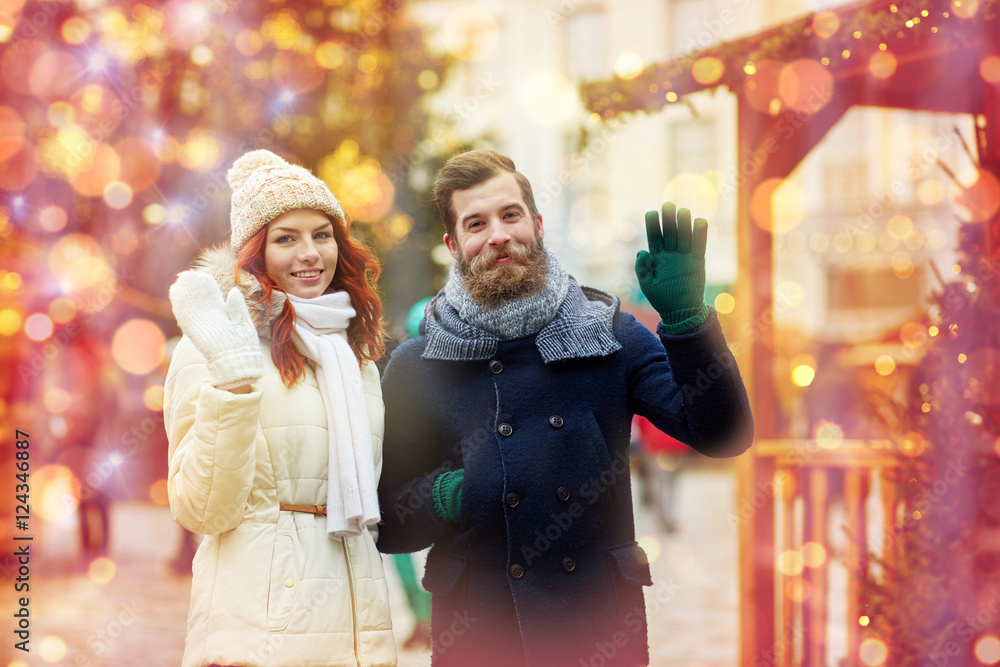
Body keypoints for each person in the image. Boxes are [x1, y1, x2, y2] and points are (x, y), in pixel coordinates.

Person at [376, 148, 754, 667]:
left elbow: (723, 435)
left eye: (510, 215)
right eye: (476, 223)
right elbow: (391, 522)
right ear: (453, 245)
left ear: (537, 222)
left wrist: (688, 321)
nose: (498, 235)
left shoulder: (609, 335)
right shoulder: (420, 365)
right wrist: (460, 490)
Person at [164, 149, 397, 667]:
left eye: (321, 234)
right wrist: (232, 385)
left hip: (356, 623)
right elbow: (202, 510)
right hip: (261, 630)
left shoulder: (354, 354)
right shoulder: (215, 343)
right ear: (256, 253)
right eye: (285, 238)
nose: (309, 253)